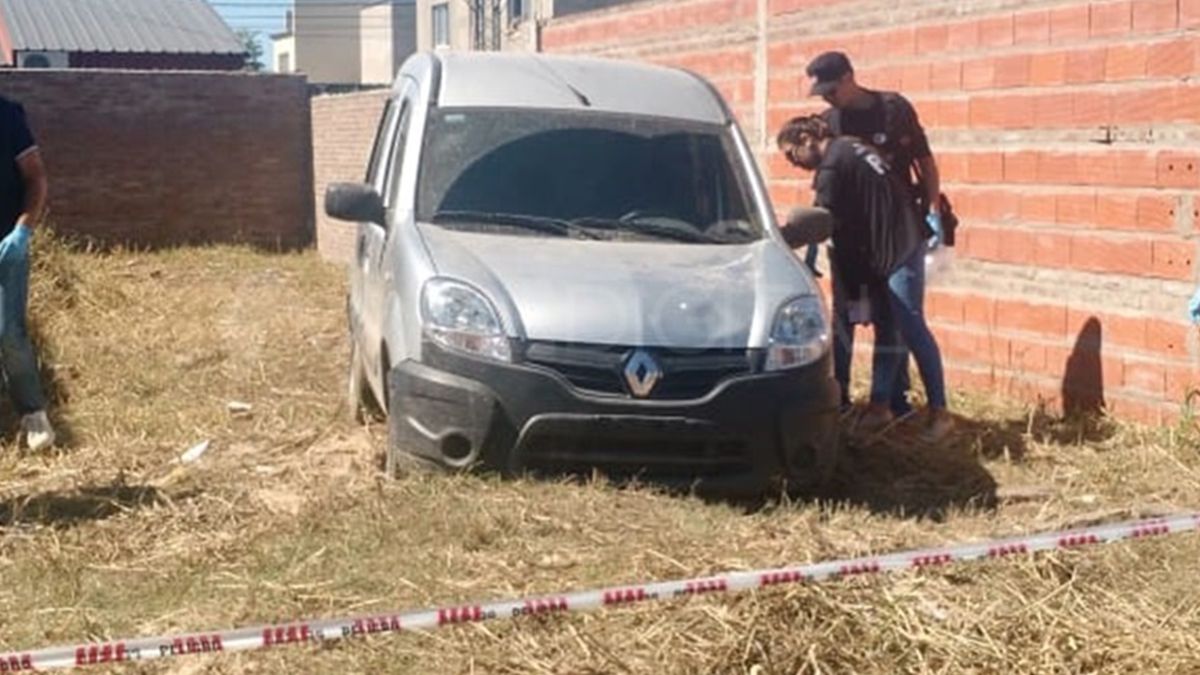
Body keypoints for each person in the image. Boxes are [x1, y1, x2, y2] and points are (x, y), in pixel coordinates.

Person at [778, 114, 953, 442]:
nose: (793, 163)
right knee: (888, 326)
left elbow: (818, 222)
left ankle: (940, 413)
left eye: (792, 154)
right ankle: (879, 407)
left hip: (898, 247)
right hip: (890, 246)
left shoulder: (831, 165)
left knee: (910, 324)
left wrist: (779, 240)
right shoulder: (851, 146)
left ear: (806, 138)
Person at [804, 50, 950, 421]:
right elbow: (826, 191)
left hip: (896, 229)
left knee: (895, 318)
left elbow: (925, 163)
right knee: (845, 316)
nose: (828, 98)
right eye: (822, 93)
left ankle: (891, 402)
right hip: (854, 239)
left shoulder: (893, 109)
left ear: (850, 77)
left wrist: (933, 213)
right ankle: (840, 400)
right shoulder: (830, 122)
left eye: (832, 89)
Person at [0, 95, 54, 451]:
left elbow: (35, 178)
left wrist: (22, 232)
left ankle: (33, 413)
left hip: (5, 247)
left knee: (9, 333)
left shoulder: (7, 116)